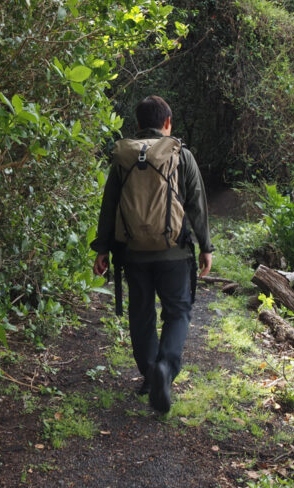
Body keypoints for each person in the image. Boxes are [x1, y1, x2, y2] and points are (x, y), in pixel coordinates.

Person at [91, 95, 212, 413]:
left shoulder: (125, 156)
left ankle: (149, 374)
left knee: (140, 313)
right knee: (177, 312)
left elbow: (110, 205)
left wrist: (102, 248)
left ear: (139, 124)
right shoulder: (180, 154)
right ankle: (165, 369)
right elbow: (197, 204)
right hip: (174, 252)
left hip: (132, 252)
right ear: (167, 122)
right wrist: (206, 247)